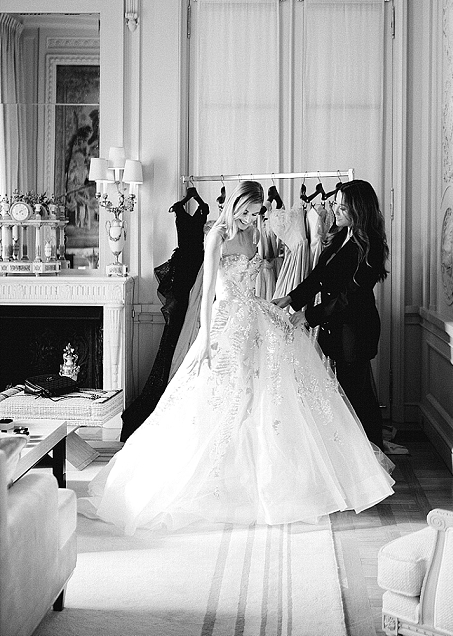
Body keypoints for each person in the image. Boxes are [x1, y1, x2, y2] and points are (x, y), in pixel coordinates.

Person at [85, 180, 393, 534]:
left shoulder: (262, 235)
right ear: (234, 205)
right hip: (225, 321)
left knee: (268, 397)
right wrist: (205, 334)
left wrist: (292, 308)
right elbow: (207, 294)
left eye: (255, 213)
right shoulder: (216, 236)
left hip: (264, 318)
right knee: (217, 400)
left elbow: (338, 291)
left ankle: (355, 468)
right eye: (246, 212)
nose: (250, 219)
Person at [274, 180, 387, 447]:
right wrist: (292, 297)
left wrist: (309, 316)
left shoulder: (370, 245)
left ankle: (372, 455)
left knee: (358, 395)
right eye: (336, 204)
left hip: (355, 330)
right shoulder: (340, 236)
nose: (335, 210)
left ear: (359, 210)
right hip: (335, 326)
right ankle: (351, 451)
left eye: (342, 207)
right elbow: (318, 276)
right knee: (344, 394)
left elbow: (351, 297)